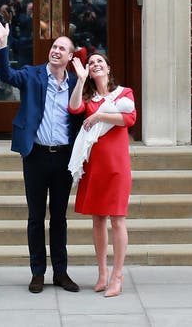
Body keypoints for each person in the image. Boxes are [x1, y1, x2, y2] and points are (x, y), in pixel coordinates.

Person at [0, 18, 82, 294]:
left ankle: (61, 273)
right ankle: (38, 272)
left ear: (70, 57)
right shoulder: (32, 74)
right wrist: (3, 43)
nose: (56, 50)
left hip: (64, 158)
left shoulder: (76, 83)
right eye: (54, 46)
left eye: (62, 48)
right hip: (36, 156)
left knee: (60, 218)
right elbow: (6, 75)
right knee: (36, 216)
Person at [68, 52, 136, 298]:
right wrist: (79, 79)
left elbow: (128, 119)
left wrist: (98, 116)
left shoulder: (123, 94)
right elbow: (74, 107)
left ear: (108, 67)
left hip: (117, 167)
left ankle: (118, 275)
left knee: (117, 219)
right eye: (91, 63)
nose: (95, 64)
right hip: (95, 167)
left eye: (100, 62)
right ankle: (102, 273)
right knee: (98, 219)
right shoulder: (89, 97)